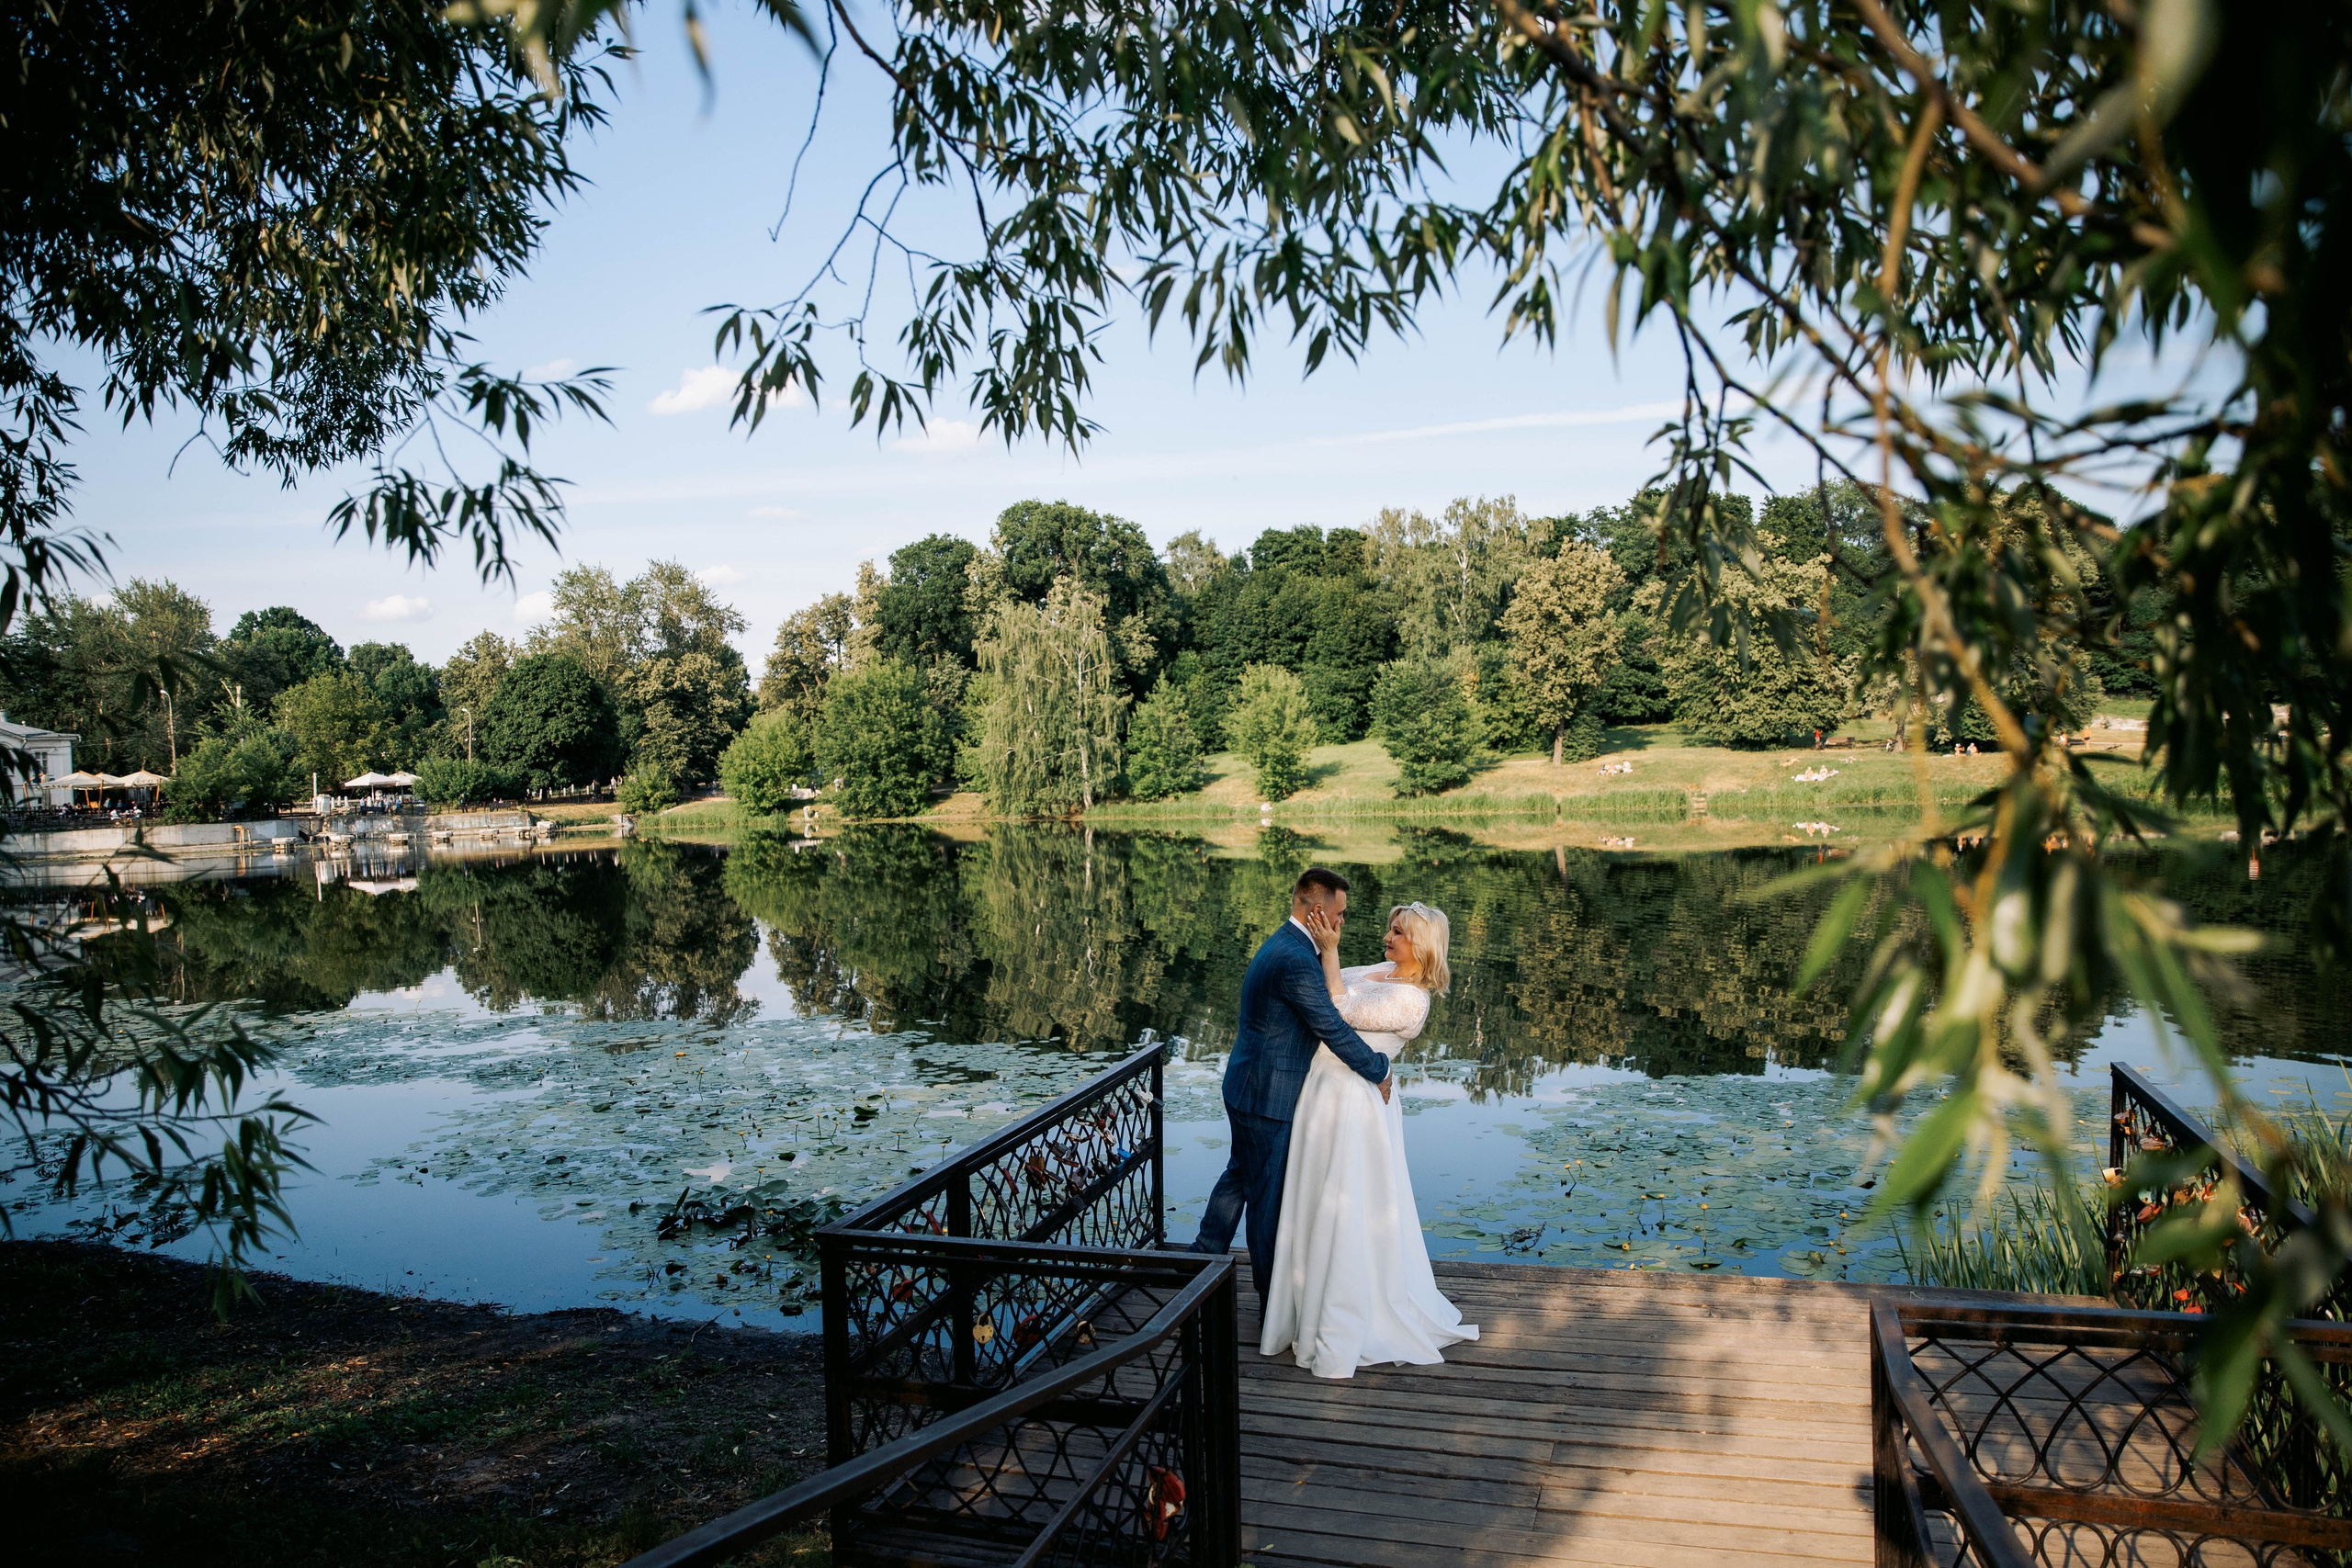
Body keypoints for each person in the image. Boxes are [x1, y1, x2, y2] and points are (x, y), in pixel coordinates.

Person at [1259, 901, 1477, 1378]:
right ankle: (1303, 1309)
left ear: (1419, 945)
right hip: (1320, 1090)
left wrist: (1332, 951)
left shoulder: (1412, 1000)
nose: (1387, 938)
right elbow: (1319, 991)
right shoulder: (1381, 969)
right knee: (1316, 1199)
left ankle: (1343, 1316)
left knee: (1350, 1204)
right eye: (1390, 930)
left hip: (1355, 1103)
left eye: (1397, 933)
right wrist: (1320, 942)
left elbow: (1339, 1009)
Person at [1191, 868, 1393, 1302]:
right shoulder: (1295, 960)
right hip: (1267, 1095)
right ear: (1318, 911)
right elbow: (1331, 1028)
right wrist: (1380, 1068)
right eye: (1339, 914)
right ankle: (1270, 1303)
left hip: (1249, 1085)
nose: (1342, 923)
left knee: (1240, 1177)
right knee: (1267, 1204)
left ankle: (1200, 1259)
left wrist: (1330, 953)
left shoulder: (1291, 944)